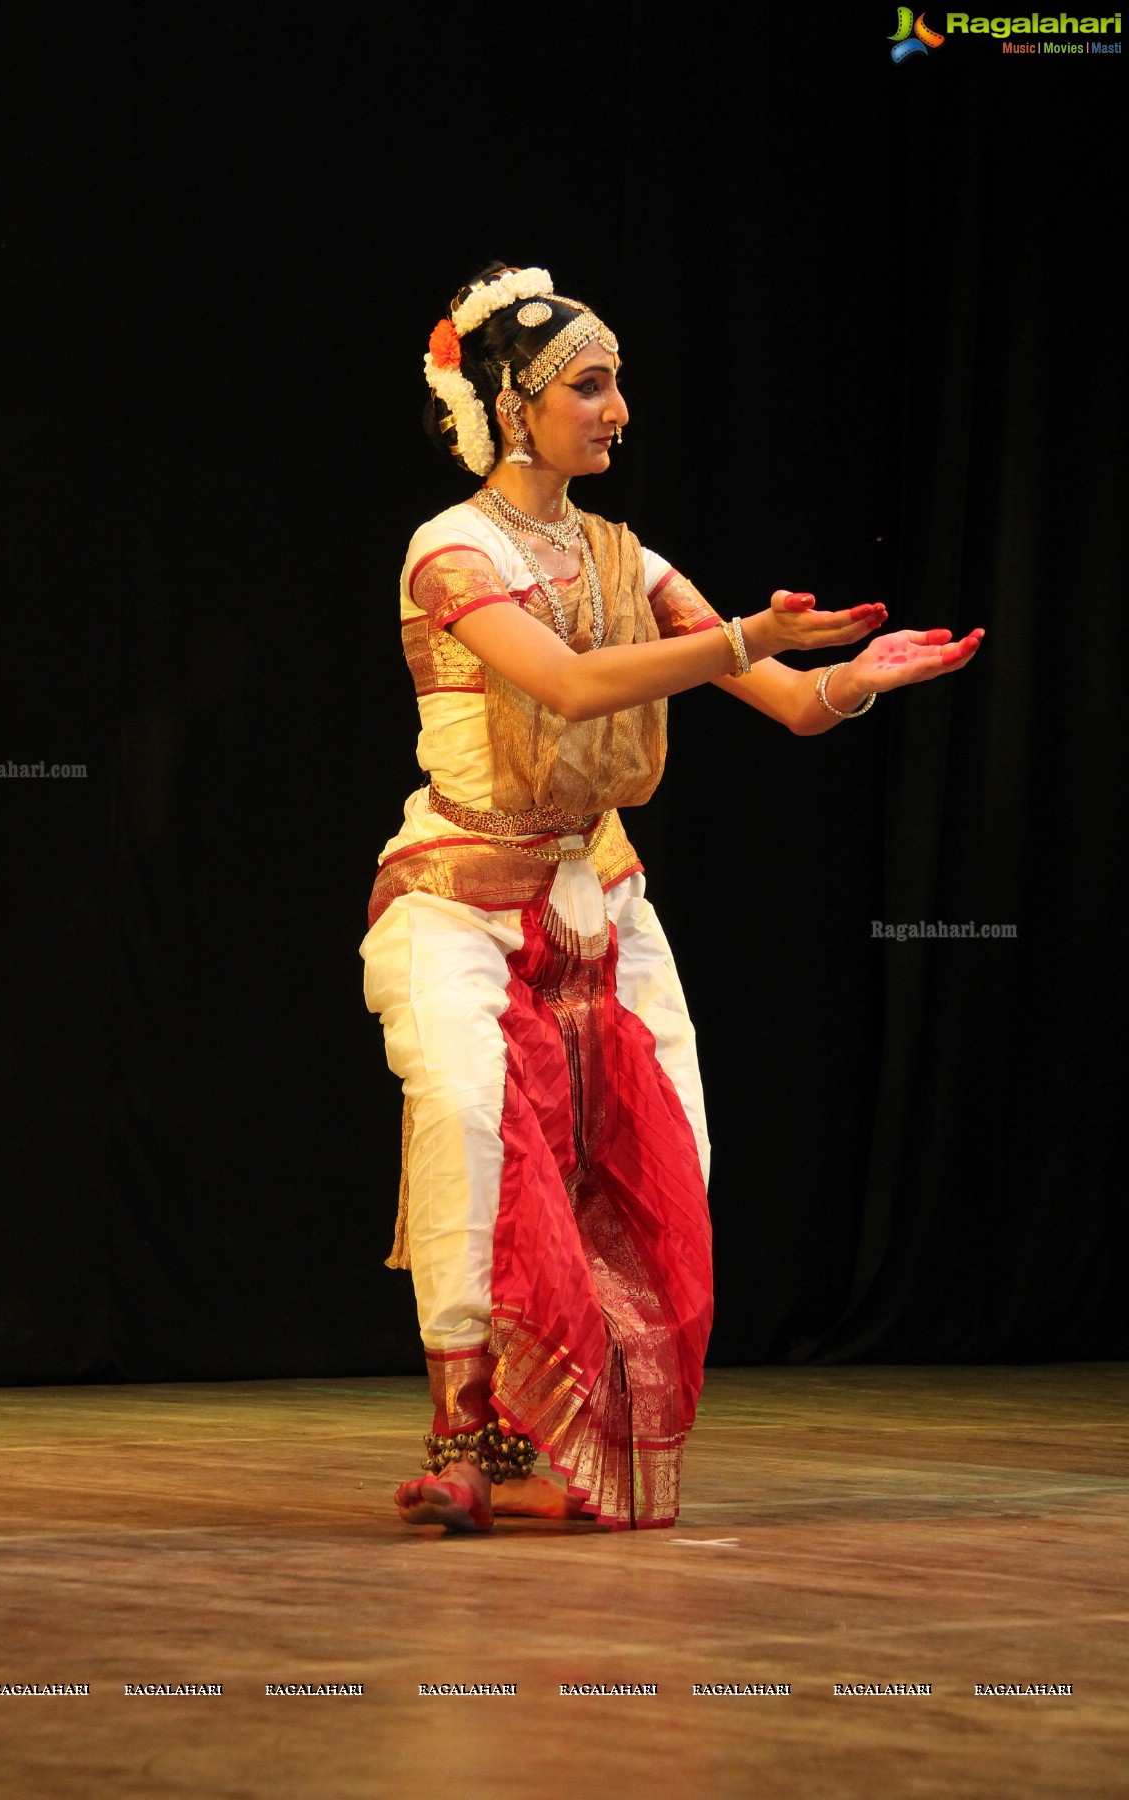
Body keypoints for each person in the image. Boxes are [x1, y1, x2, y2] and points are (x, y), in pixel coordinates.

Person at [361, 263, 983, 1534]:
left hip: (599, 899)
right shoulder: (451, 548)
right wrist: (745, 637)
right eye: (589, 385)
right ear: (512, 406)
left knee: (663, 1159)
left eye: (619, 383)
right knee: (471, 1126)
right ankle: (462, 1438)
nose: (618, 408)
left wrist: (861, 679)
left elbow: (794, 707)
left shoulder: (627, 558)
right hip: (459, 899)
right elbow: (576, 686)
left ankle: (555, 1431)